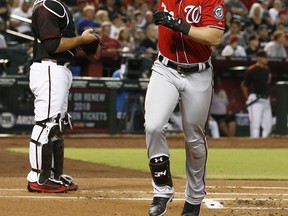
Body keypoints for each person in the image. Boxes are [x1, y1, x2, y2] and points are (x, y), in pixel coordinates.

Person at [144, 1, 225, 216]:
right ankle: (162, 190)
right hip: (165, 69)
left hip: (198, 73)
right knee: (153, 126)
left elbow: (215, 37)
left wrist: (181, 26)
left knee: (194, 139)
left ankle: (194, 199)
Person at [26, 0, 100, 193]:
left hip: (57, 69)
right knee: (46, 123)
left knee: (57, 124)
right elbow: (52, 45)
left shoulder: (56, 5)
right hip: (49, 67)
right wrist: (82, 40)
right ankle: (38, 177)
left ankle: (52, 175)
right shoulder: (47, 6)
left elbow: (62, 44)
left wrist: (86, 44)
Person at [240, 50, 272, 138]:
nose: (266, 59)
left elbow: (268, 81)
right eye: (264, 57)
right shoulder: (251, 70)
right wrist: (247, 98)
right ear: (258, 58)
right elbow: (243, 85)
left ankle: (265, 147)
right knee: (255, 125)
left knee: (268, 125)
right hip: (255, 99)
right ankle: (254, 146)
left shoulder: (267, 69)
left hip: (266, 99)